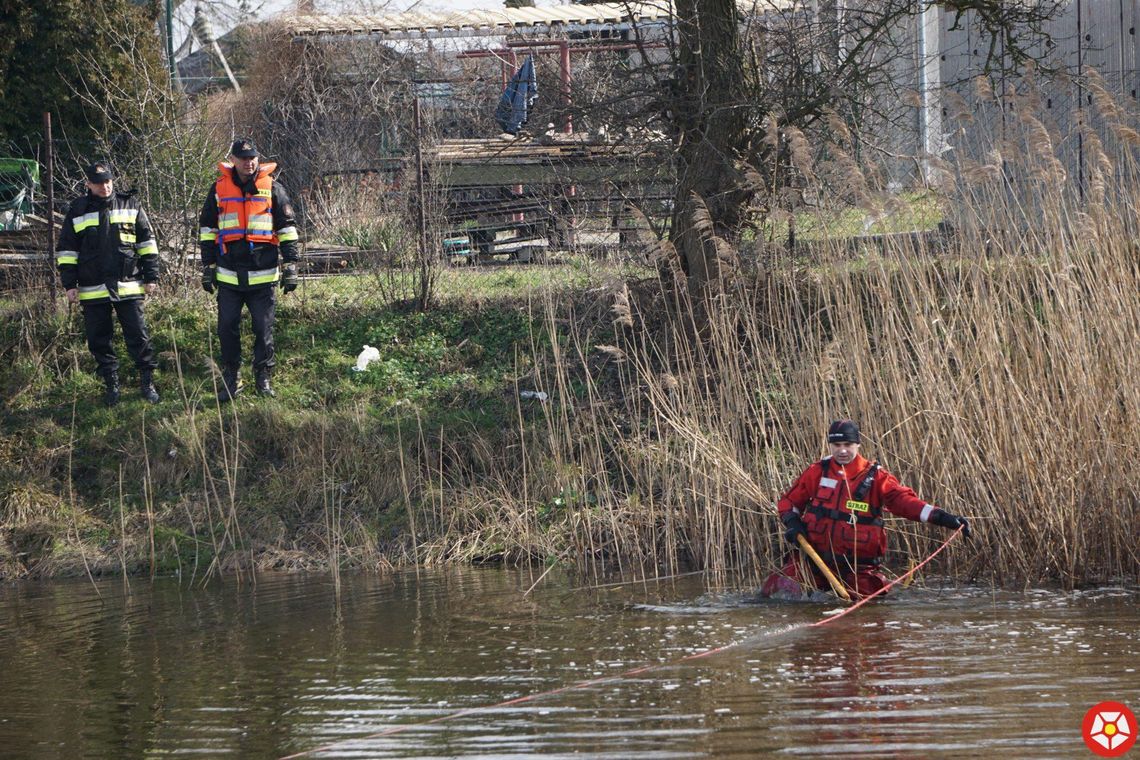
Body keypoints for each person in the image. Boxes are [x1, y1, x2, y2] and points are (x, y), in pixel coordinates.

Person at [764, 419, 970, 598]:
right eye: (836, 445)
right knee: (774, 595)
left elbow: (905, 502)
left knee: (868, 614)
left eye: (847, 444)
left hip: (858, 569)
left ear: (858, 444)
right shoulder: (817, 472)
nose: (842, 450)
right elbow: (789, 503)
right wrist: (792, 523)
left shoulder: (877, 478)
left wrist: (944, 518)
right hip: (813, 561)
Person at [198, 138, 300, 401]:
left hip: (263, 275)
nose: (249, 162)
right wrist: (207, 266)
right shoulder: (219, 189)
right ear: (232, 160)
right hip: (229, 276)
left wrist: (291, 265)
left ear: (258, 159)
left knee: (263, 330)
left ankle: (263, 377)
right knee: (226, 328)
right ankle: (232, 378)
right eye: (243, 158)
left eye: (253, 157)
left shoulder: (274, 189)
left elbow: (287, 230)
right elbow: (208, 229)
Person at [56, 162, 160, 406]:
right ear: (89, 184)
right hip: (93, 287)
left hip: (129, 284)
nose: (105, 186)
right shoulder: (78, 210)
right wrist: (69, 284)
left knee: (138, 335)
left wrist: (151, 276)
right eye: (99, 182)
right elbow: (67, 250)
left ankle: (147, 383)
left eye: (108, 181)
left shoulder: (131, 204)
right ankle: (111, 385)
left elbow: (147, 243)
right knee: (98, 339)